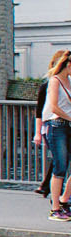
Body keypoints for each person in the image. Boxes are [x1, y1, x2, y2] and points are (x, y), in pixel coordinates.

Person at [40, 51, 71, 220]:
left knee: (64, 165)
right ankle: (55, 208)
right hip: (56, 125)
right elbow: (54, 108)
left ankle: (64, 199)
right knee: (60, 167)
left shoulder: (69, 82)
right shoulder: (55, 81)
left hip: (67, 125)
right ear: (68, 65)